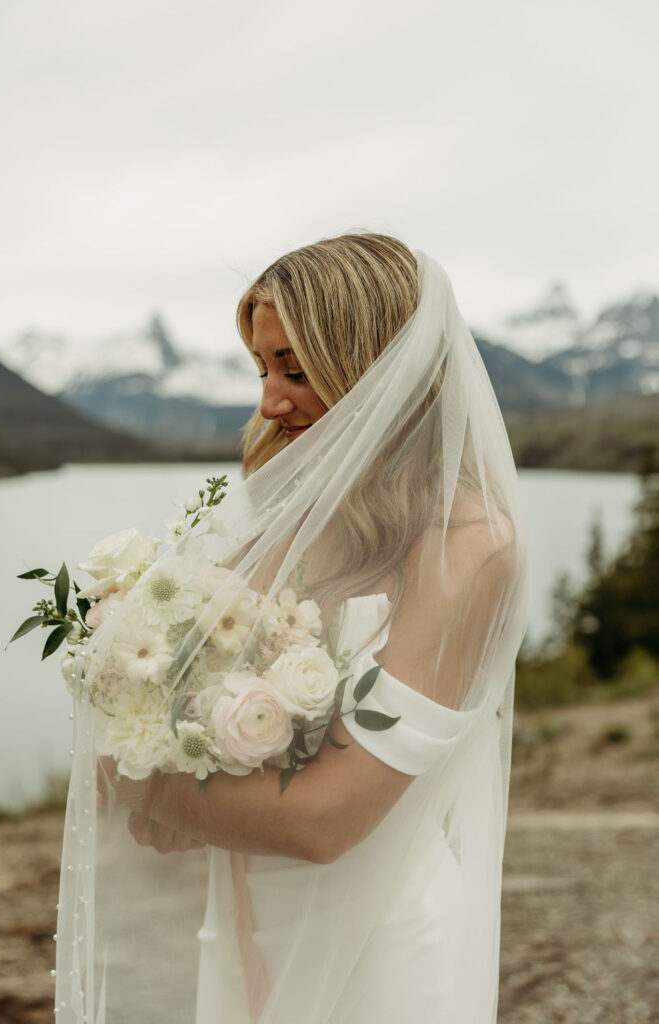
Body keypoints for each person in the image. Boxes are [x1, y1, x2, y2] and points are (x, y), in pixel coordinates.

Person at [54, 233, 529, 1023]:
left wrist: (148, 783)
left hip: (378, 951)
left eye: (297, 370)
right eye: (264, 370)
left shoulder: (467, 547)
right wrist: (179, 735)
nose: (271, 402)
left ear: (373, 365)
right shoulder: (286, 519)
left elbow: (325, 818)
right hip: (241, 927)